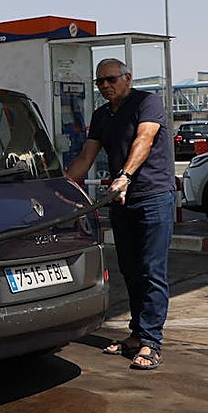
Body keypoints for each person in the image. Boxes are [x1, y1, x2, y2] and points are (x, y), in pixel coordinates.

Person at [65, 58, 174, 371]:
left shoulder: (147, 103)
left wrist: (125, 174)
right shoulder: (101, 115)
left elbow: (144, 139)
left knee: (152, 270)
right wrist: (63, 187)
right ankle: (137, 334)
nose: (105, 86)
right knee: (129, 269)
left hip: (152, 197)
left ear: (128, 77)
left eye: (111, 79)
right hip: (121, 200)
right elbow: (87, 156)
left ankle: (151, 341)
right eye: (100, 82)